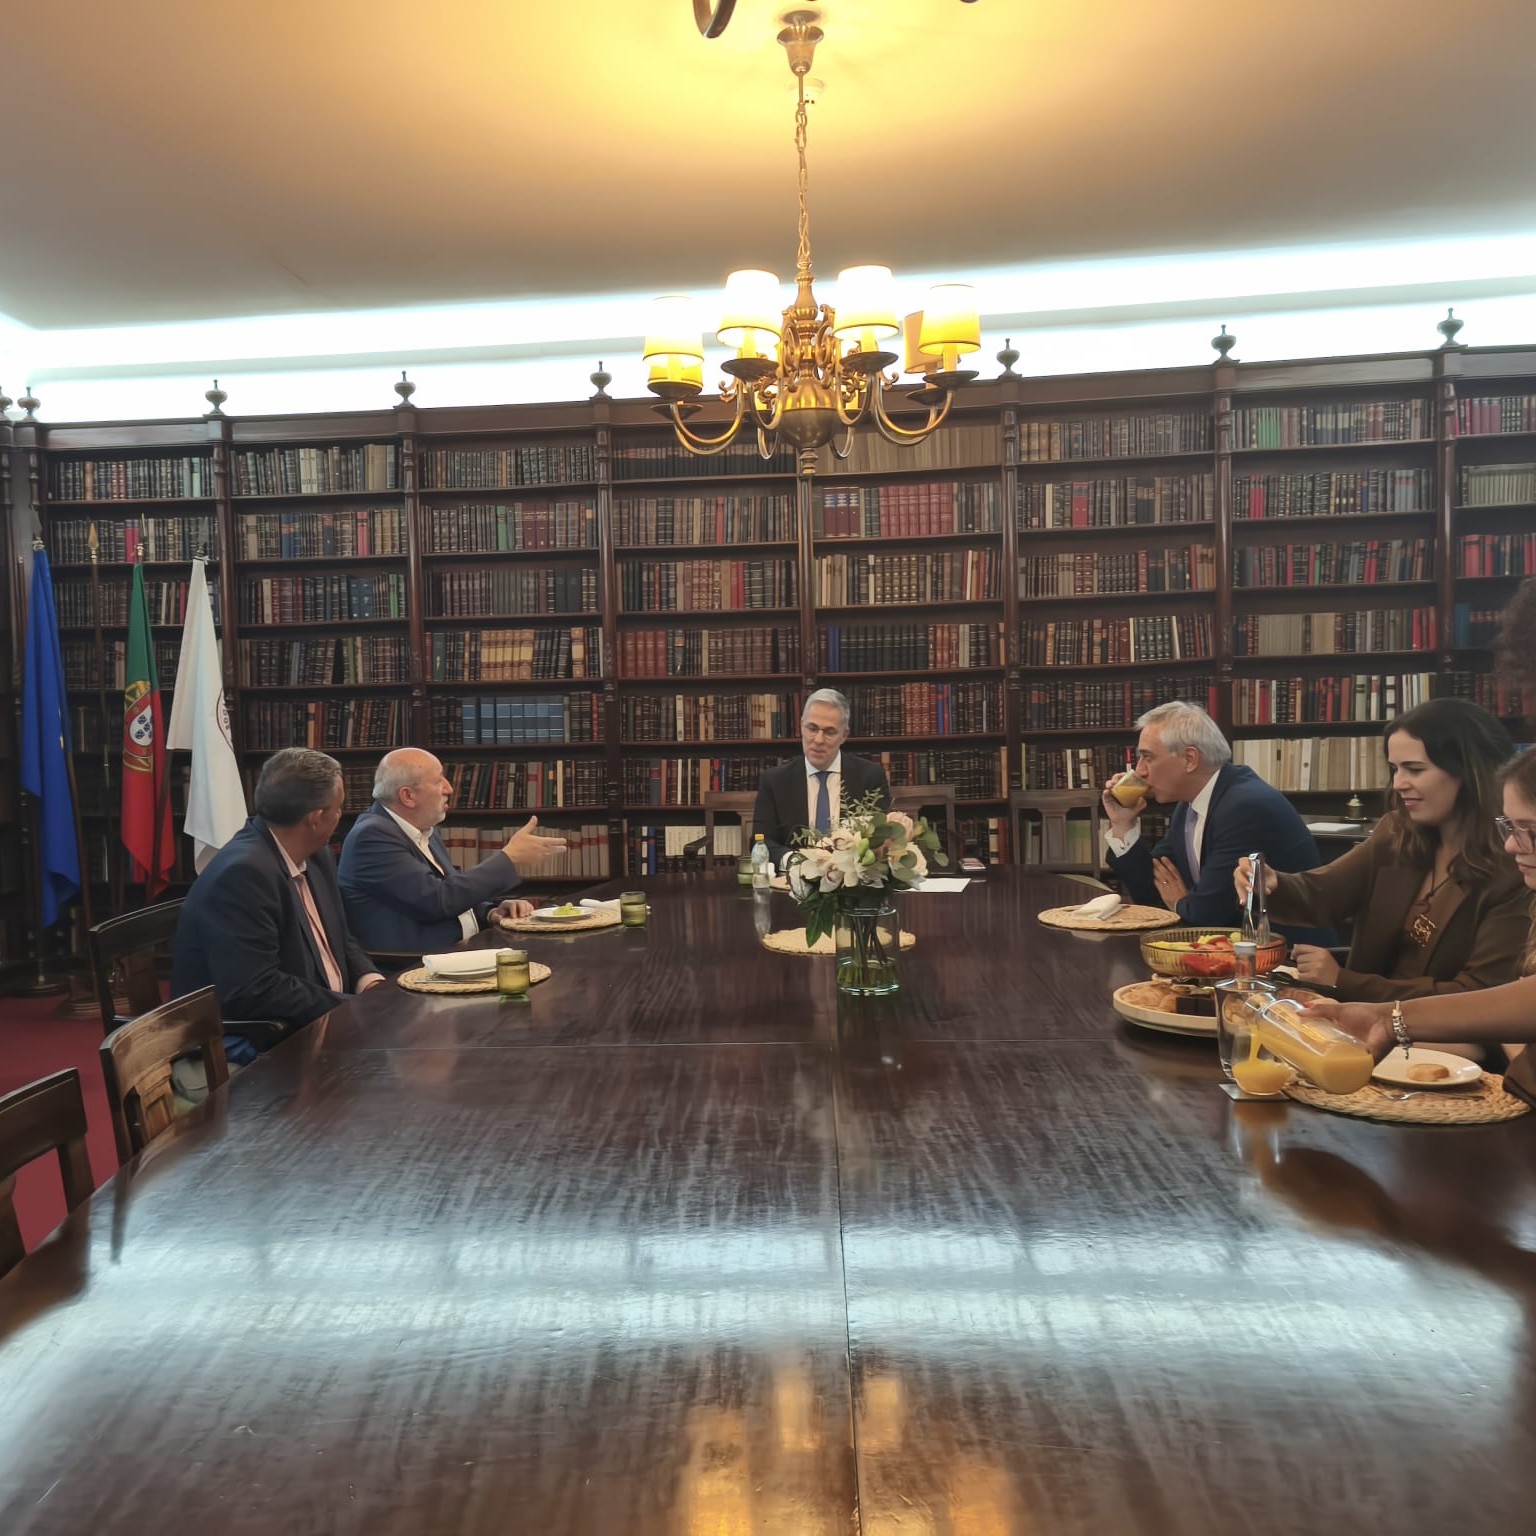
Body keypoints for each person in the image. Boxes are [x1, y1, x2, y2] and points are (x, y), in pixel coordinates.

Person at [1235, 698, 1527, 1002]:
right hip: (1361, 1017)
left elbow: (1478, 995)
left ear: (1469, 772)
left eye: (1414, 769)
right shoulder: (1397, 832)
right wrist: (1272, 883)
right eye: (1394, 769)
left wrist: (1344, 981)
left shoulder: (1515, 868)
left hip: (1430, 1028)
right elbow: (1324, 894)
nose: (1398, 783)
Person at [1310, 744, 1536, 1075]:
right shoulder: (1403, 835)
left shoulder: (1505, 883)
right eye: (1510, 827)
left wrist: (1363, 998)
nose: (1511, 844)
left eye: (1530, 831)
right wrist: (1387, 1021)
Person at [171, 747, 385, 1065]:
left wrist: (370, 983)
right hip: (255, 1044)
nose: (341, 816)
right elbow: (256, 989)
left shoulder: (317, 855)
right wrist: (351, 1009)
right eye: (338, 808)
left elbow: (339, 936)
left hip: (320, 1024)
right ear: (316, 819)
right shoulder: (242, 875)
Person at [1101, 699, 1333, 941]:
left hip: (1288, 956)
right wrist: (1123, 824)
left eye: (1148, 758)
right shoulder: (1188, 804)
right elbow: (1154, 888)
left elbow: (1207, 916)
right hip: (1232, 948)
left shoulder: (1244, 807)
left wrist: (1179, 902)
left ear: (1189, 759)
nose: (1139, 771)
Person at [339, 749, 562, 956]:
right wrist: (509, 858)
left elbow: (450, 892)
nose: (449, 789)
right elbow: (437, 900)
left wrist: (491, 912)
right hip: (414, 966)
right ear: (408, 796)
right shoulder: (372, 837)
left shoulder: (424, 830)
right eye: (438, 781)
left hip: (460, 953)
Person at [752, 688, 892, 864]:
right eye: (812, 728)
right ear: (801, 726)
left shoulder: (869, 777)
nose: (818, 740)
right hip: (793, 877)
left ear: (844, 735)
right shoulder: (775, 780)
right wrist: (797, 862)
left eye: (829, 732)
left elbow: (879, 839)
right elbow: (761, 841)